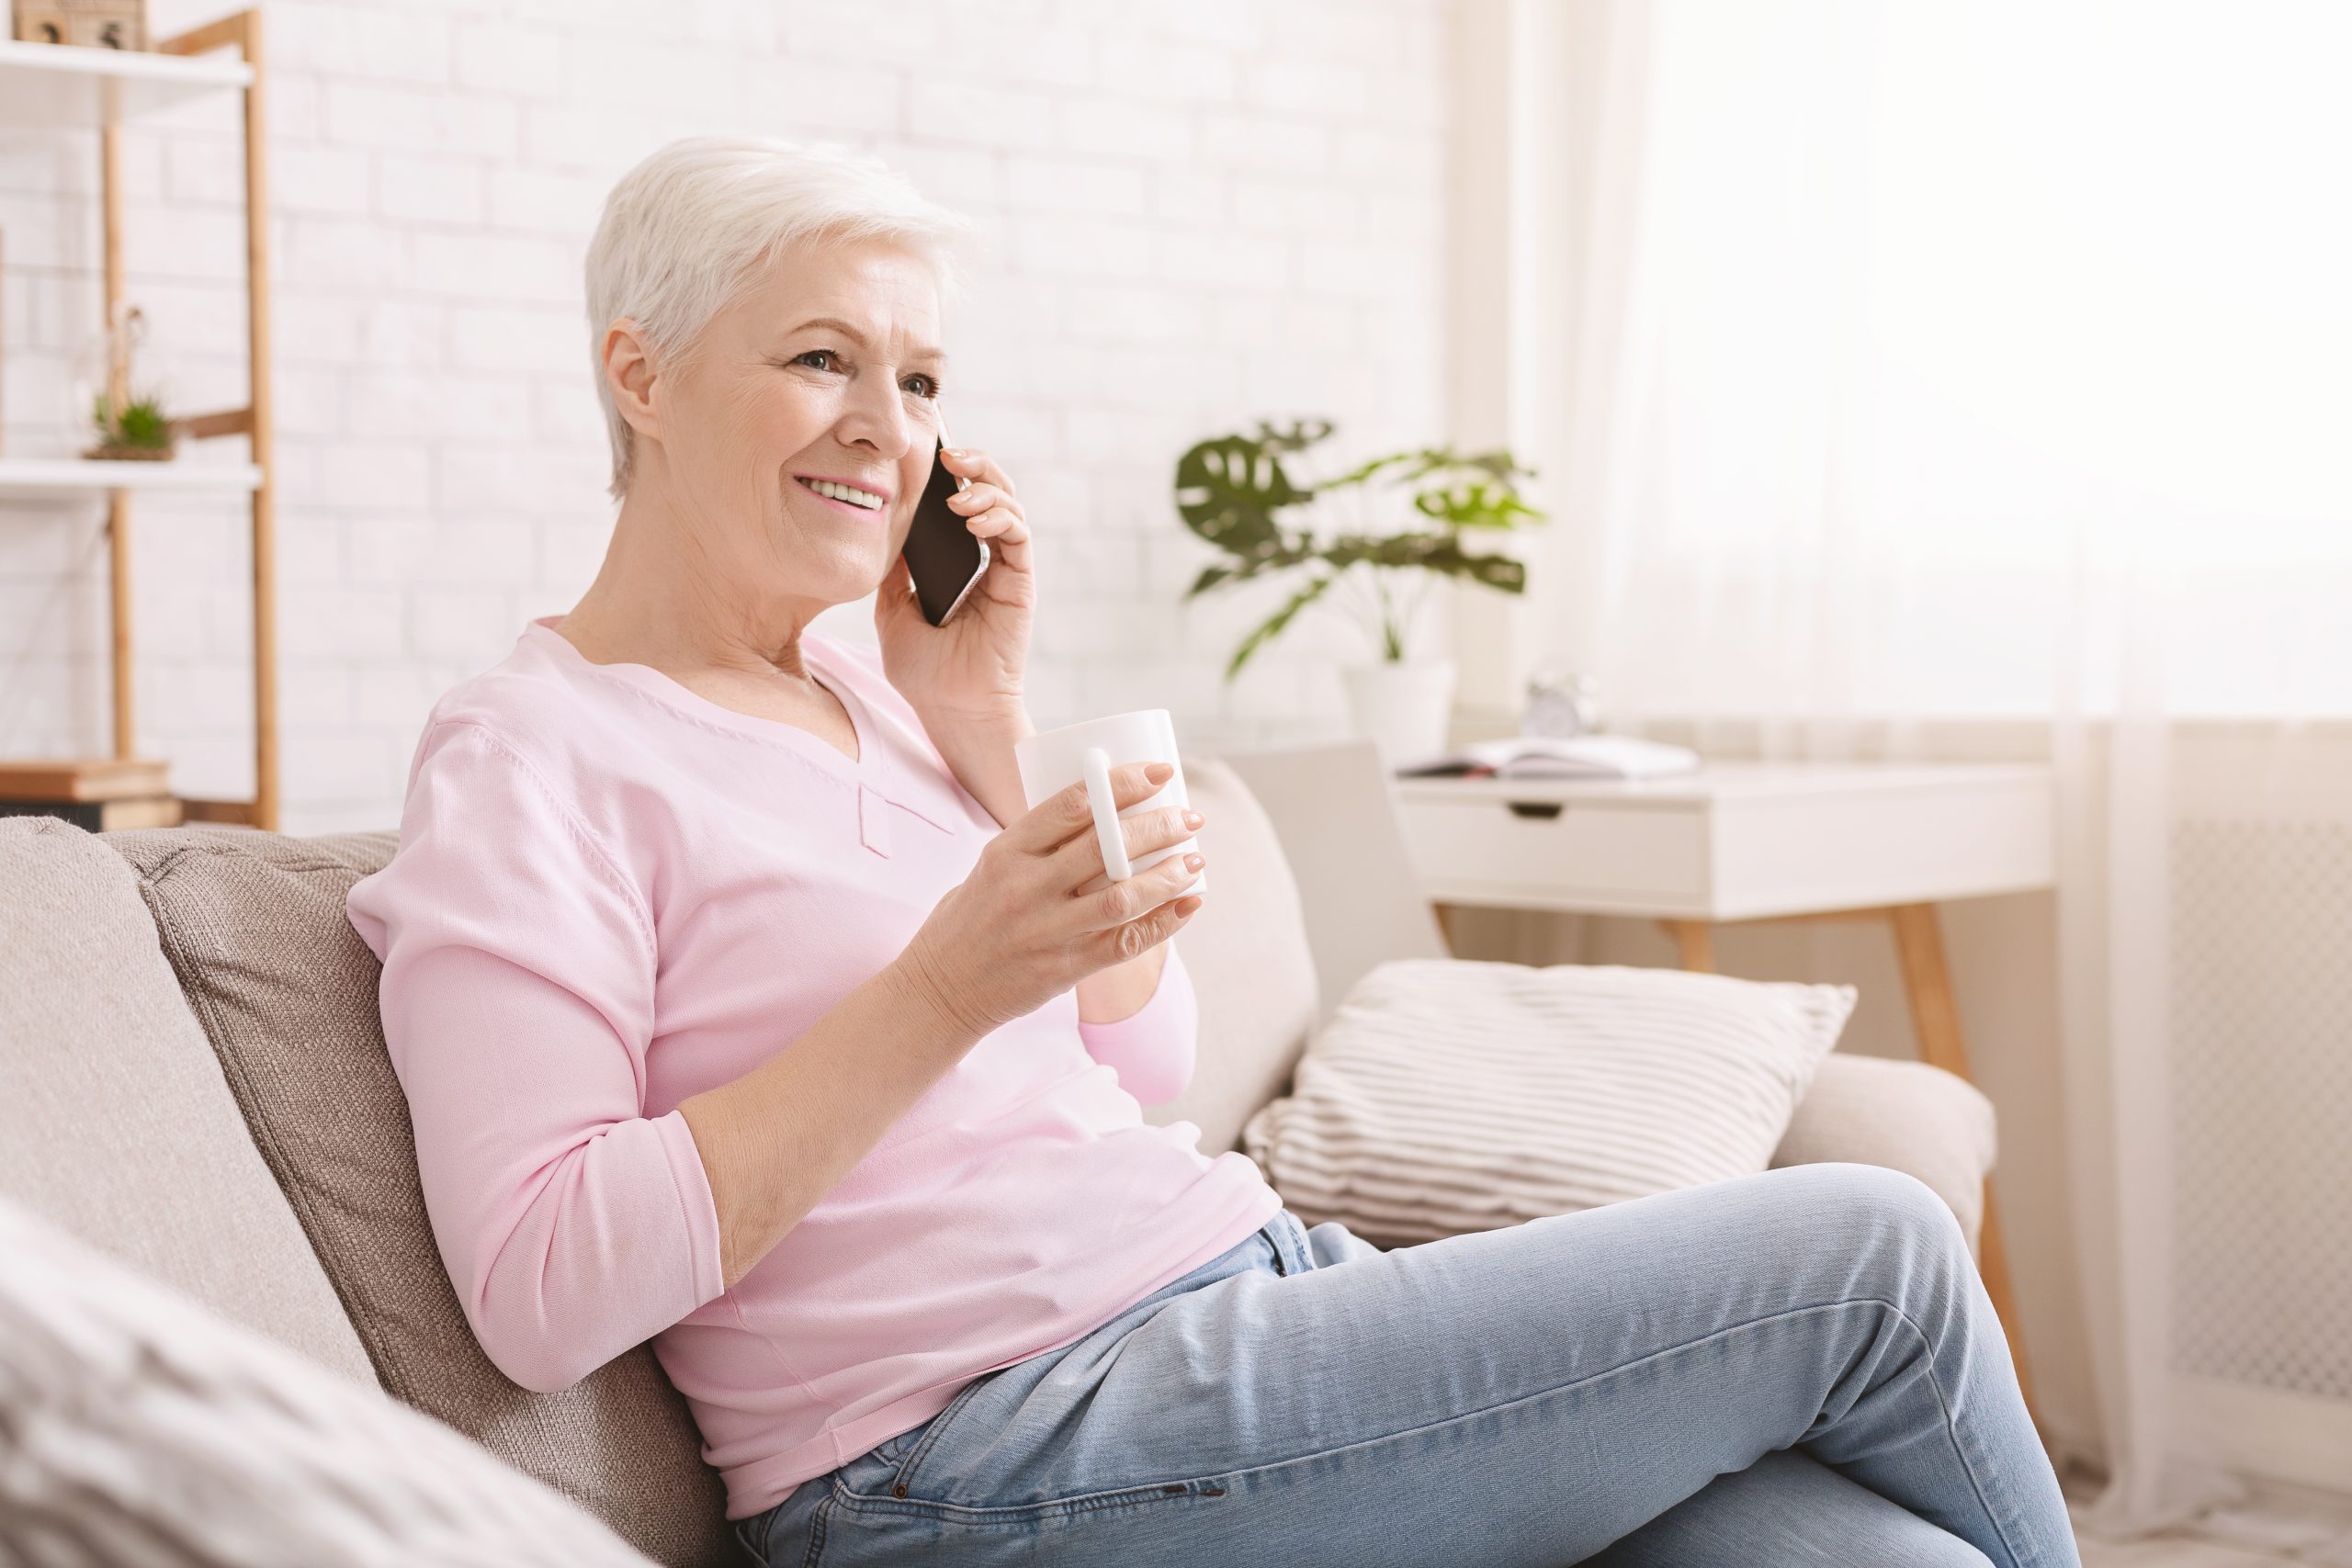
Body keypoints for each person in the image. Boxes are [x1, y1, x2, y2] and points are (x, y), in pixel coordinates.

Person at [345, 135, 2077, 1568]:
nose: (891, 423)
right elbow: (540, 1284)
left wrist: (983, 724)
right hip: (969, 1458)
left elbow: (1141, 1056)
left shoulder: (881, 703)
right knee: (1876, 1249)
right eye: (821, 358)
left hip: (1241, 1300)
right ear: (638, 372)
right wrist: (945, 982)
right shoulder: (532, 753)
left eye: (922, 376)